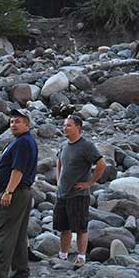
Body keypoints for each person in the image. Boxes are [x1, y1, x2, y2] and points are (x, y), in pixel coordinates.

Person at [0, 109, 39, 278]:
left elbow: (18, 169)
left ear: (27, 124)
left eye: (18, 121)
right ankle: (21, 270)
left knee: (4, 232)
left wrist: (8, 191)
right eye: (11, 122)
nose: (13, 125)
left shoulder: (23, 143)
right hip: (22, 192)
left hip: (15, 192)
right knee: (18, 233)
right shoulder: (25, 141)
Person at [55, 114, 106, 269]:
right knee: (64, 227)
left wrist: (89, 183)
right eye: (64, 125)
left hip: (78, 194)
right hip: (62, 193)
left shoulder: (86, 146)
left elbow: (102, 164)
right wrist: (58, 180)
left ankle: (81, 257)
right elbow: (58, 160)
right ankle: (62, 255)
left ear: (78, 127)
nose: (65, 128)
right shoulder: (64, 145)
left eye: (68, 125)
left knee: (80, 228)